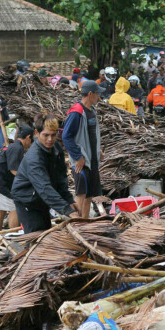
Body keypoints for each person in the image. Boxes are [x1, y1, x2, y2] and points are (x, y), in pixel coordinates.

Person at [12, 114, 77, 232]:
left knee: (46, 232)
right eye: (46, 135)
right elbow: (44, 187)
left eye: (53, 135)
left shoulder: (56, 148)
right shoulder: (34, 158)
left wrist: (69, 200)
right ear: (36, 133)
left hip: (41, 199)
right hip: (27, 200)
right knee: (35, 236)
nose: (50, 139)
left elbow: (61, 178)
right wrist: (67, 210)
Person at [62, 80, 103, 219]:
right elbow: (66, 137)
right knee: (81, 193)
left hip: (92, 160)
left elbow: (92, 135)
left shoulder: (92, 111)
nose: (99, 97)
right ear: (90, 94)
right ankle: (77, 224)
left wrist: (98, 151)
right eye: (97, 94)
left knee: (89, 194)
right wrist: (78, 157)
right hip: (82, 161)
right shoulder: (76, 112)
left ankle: (85, 222)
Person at [0, 127, 33, 230]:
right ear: (28, 137)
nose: (30, 144)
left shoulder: (13, 147)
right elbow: (14, 170)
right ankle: (13, 234)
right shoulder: (17, 148)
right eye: (31, 141)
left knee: (2, 211)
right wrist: (28, 181)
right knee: (16, 206)